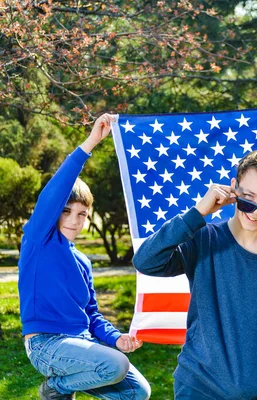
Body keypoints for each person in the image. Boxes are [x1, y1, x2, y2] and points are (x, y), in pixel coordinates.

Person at [133, 149, 257, 399]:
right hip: (197, 388)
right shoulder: (202, 239)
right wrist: (197, 214)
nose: (255, 211)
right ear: (234, 188)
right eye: (248, 198)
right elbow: (146, 261)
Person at [18, 114, 151, 400]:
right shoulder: (38, 240)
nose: (75, 221)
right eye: (66, 211)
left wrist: (117, 338)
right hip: (45, 344)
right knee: (115, 363)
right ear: (54, 213)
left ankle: (63, 392)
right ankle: (57, 388)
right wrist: (91, 142)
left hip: (81, 343)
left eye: (82, 214)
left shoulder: (83, 262)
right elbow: (54, 192)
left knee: (138, 391)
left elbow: (92, 314)